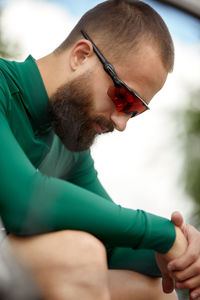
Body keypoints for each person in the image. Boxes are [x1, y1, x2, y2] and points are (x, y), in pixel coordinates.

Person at [0, 0, 198, 299]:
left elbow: (113, 244)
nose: (122, 124)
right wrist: (163, 234)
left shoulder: (67, 143)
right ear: (81, 56)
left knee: (154, 290)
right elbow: (24, 201)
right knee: (78, 256)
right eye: (124, 99)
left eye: (135, 111)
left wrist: (183, 256)